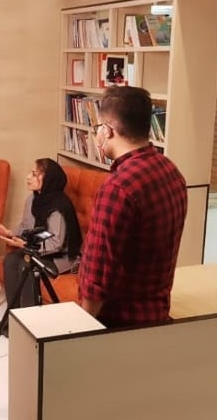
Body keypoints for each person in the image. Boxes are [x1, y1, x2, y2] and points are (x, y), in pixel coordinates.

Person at [78, 86, 188, 328]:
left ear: (107, 131)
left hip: (118, 324)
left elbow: (98, 275)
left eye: (97, 128)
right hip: (156, 315)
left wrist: (81, 329)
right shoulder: (171, 171)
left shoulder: (117, 189)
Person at [0, 159, 83, 315]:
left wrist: (25, 246)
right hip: (36, 249)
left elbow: (56, 243)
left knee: (26, 266)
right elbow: (26, 226)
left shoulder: (59, 206)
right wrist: (10, 233)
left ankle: (30, 318)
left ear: (48, 179)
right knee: (10, 260)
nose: (28, 177)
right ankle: (13, 315)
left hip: (59, 257)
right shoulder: (32, 199)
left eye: (34, 174)